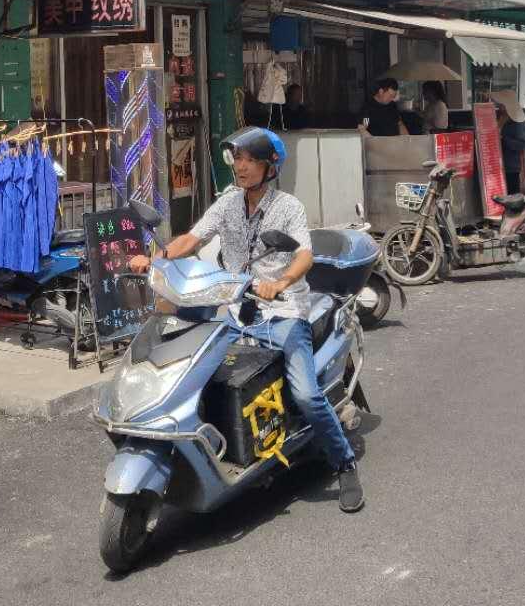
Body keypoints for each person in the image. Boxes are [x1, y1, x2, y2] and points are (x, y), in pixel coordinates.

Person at [127, 127, 364, 513]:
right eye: (238, 159)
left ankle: (345, 464)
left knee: (306, 395)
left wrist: (281, 282)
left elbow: (304, 254)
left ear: (270, 167)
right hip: (237, 312)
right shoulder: (227, 204)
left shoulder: (289, 207)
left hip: (283, 312)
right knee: (197, 374)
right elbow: (193, 238)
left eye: (250, 160)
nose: (241, 166)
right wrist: (157, 258)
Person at [491, 90, 525, 194]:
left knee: (512, 194)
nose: (500, 108)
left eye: (502, 105)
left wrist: (503, 139)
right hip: (499, 164)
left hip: (511, 166)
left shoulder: (517, 121)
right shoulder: (501, 116)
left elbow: (522, 144)